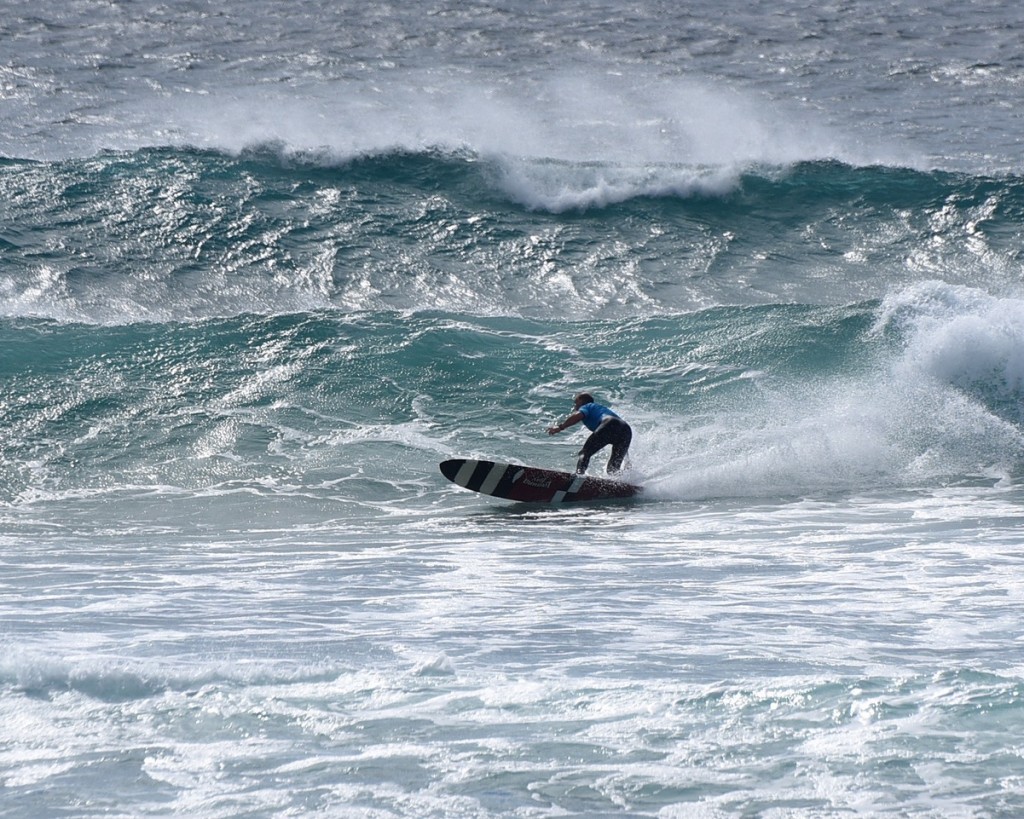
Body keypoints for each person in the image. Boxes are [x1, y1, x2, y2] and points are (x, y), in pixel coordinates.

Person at [547, 392, 632, 475]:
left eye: (576, 402)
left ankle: (579, 475)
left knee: (585, 453)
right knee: (612, 469)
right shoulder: (600, 409)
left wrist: (560, 427)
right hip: (626, 430)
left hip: (609, 423)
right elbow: (619, 431)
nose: (575, 406)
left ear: (581, 400)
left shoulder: (587, 406)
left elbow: (578, 416)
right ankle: (619, 485)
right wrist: (626, 459)